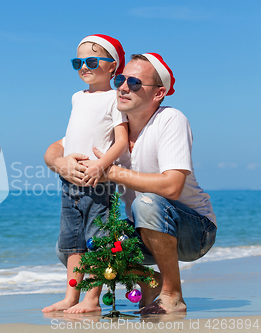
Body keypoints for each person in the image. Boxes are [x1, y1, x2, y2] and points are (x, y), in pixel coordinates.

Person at [49, 52, 217, 314]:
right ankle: (150, 281)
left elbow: (172, 187)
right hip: (143, 230)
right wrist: (60, 163)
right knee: (80, 243)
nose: (124, 87)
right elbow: (55, 148)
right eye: (120, 80)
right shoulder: (114, 125)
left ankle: (172, 294)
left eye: (135, 83)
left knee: (146, 203)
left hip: (194, 230)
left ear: (158, 93)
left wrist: (112, 172)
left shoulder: (170, 119)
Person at [42, 34, 128, 314]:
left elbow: (121, 141)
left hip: (97, 183)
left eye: (92, 60)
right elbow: (71, 137)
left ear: (113, 66)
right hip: (69, 181)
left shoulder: (115, 99)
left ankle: (91, 300)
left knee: (97, 242)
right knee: (72, 244)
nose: (83, 66)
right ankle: (70, 296)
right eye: (78, 61)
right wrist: (64, 160)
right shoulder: (76, 97)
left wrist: (101, 166)